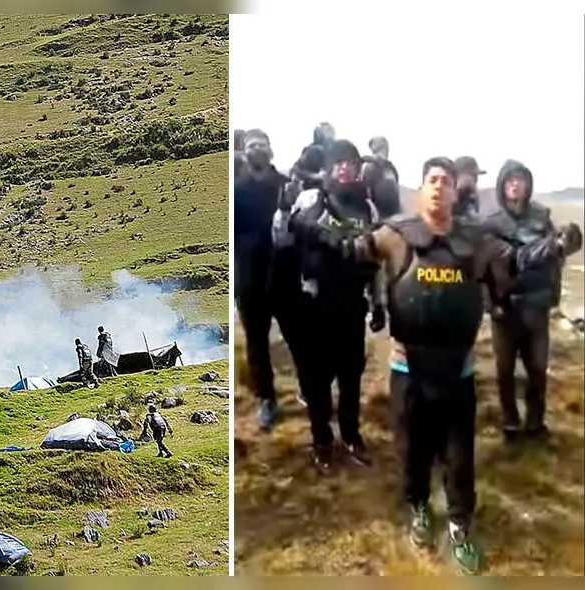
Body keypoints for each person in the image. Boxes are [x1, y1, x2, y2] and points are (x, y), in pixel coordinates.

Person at [299, 156, 572, 575]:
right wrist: (306, 222)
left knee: (460, 455)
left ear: (454, 191)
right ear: (422, 188)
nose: (441, 185)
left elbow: (515, 260)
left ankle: (461, 522)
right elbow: (349, 246)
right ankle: (420, 507)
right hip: (409, 369)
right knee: (413, 450)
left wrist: (554, 247)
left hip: (457, 371)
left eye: (446, 180)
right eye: (433, 179)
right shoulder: (396, 236)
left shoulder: (475, 240)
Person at [274, 139, 384, 470]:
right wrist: (282, 210)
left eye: (351, 162)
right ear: (329, 167)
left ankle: (351, 435)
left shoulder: (368, 208)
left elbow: (374, 260)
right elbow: (282, 240)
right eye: (339, 162)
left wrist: (378, 303)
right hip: (314, 306)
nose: (345, 167)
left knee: (351, 378)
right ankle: (322, 440)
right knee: (316, 380)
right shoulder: (311, 200)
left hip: (352, 306)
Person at [482, 160, 583, 442]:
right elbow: (485, 269)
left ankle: (535, 423)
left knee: (537, 368)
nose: (515, 184)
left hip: (535, 306)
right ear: (503, 186)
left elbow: (556, 257)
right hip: (505, 307)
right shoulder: (491, 224)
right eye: (510, 180)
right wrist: (491, 303)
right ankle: (510, 423)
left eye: (521, 179)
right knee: (504, 370)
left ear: (528, 185)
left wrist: (566, 243)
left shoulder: (541, 218)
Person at [235, 129, 310, 431]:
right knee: (257, 346)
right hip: (251, 282)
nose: (258, 150)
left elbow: (304, 231)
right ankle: (266, 399)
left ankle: (309, 389)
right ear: (245, 152)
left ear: (270, 150)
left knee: (299, 338)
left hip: (286, 278)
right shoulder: (236, 191)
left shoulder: (286, 187)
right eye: (252, 145)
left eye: (262, 145)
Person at [361, 135, 401, 219]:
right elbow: (366, 193)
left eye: (386, 147)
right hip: (379, 216)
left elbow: (396, 190)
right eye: (381, 148)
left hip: (394, 216)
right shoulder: (370, 167)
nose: (385, 151)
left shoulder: (391, 168)